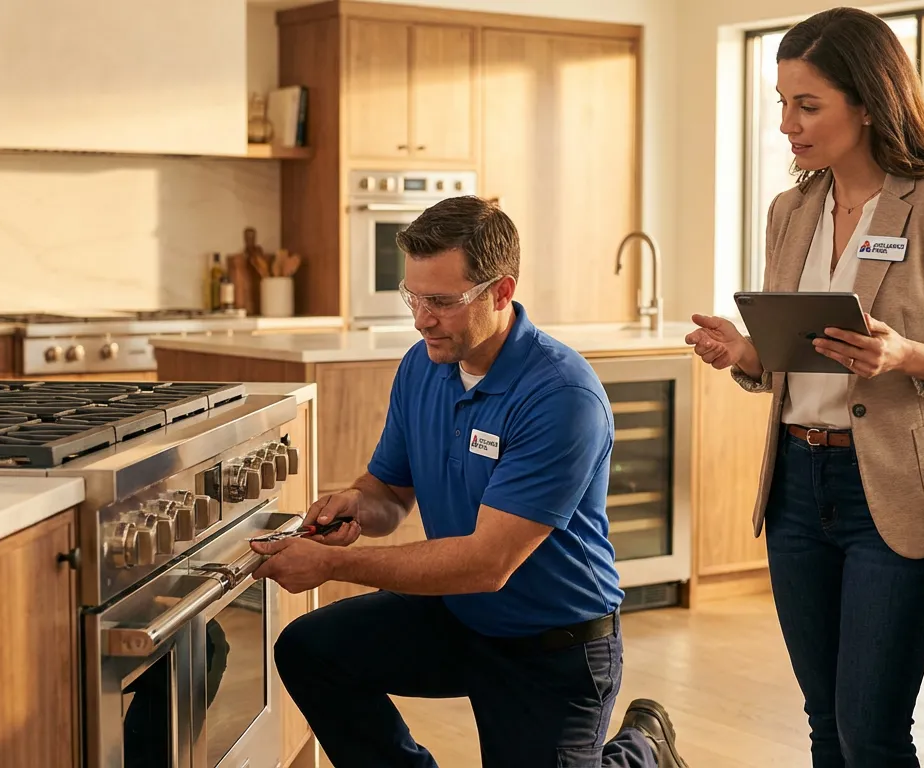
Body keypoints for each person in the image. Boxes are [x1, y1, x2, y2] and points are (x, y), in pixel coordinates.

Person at [684, 7, 924, 768]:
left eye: (808, 105)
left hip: (897, 492)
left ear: (866, 102)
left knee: (871, 731)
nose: (787, 125)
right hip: (798, 487)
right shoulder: (791, 211)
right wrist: (745, 353)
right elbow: (794, 358)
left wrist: (909, 356)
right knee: (824, 721)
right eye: (781, 103)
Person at [250, 195, 686, 768]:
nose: (421, 317)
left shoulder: (560, 396)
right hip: (458, 617)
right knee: (311, 650)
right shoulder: (421, 366)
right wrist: (357, 505)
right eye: (413, 296)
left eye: (441, 301)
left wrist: (332, 566)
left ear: (500, 292)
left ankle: (643, 749)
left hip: (553, 644)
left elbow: (487, 565)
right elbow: (389, 493)